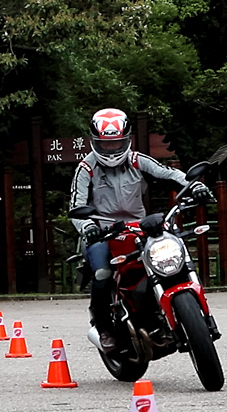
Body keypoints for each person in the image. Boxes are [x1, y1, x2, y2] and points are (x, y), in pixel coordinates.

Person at [69, 108, 213, 352]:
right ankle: (104, 327)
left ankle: (173, 314)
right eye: (106, 144)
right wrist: (89, 226)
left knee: (172, 252)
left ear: (127, 139)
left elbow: (169, 174)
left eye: (117, 143)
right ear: (94, 142)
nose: (112, 150)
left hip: (139, 227)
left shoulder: (138, 160)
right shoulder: (86, 169)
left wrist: (195, 186)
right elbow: (76, 205)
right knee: (103, 273)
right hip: (102, 232)